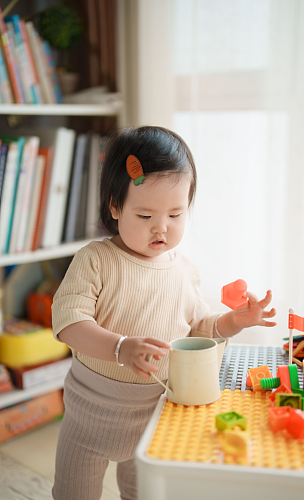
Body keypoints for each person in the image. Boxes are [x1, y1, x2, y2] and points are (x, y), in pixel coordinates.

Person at [52, 126, 277, 500]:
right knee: (73, 493)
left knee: (147, 493)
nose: (162, 227)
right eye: (144, 216)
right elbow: (69, 322)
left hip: (156, 414)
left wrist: (233, 321)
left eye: (176, 213)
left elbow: (199, 329)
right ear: (115, 206)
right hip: (89, 416)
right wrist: (120, 347)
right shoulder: (95, 260)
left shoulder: (184, 270)